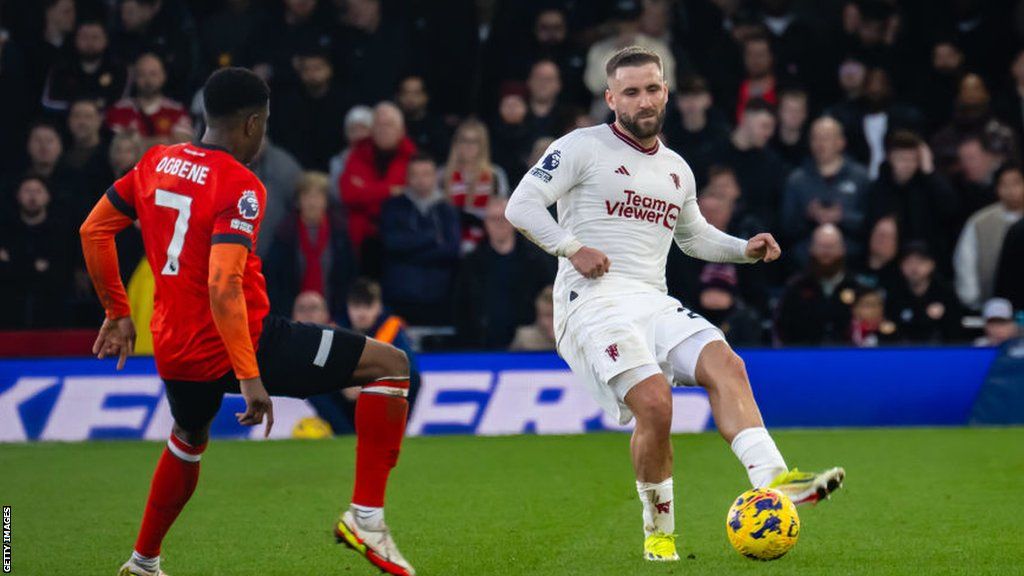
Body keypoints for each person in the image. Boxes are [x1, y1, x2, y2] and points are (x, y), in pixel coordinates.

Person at [504, 46, 843, 563]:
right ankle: (658, 532)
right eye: (632, 91)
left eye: (653, 88)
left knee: (726, 363)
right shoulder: (580, 146)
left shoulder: (677, 169)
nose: (644, 100)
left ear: (666, 90)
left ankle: (776, 481)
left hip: (651, 298)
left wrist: (743, 250)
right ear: (611, 97)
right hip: (591, 302)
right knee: (656, 403)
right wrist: (572, 248)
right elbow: (520, 205)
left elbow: (693, 237)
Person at [78, 68, 415, 576]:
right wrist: (249, 373)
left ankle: (144, 561)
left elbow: (94, 229)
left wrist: (119, 313)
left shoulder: (155, 161)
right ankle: (366, 518)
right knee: (391, 365)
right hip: (248, 342)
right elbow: (222, 285)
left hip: (175, 348)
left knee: (188, 438)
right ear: (254, 123)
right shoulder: (242, 186)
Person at [456, 196, 554, 349]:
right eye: (493, 219)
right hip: (483, 344)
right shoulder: (471, 263)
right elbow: (462, 306)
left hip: (527, 345)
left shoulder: (536, 260)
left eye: (504, 218)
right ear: (485, 224)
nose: (499, 224)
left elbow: (549, 297)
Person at [380, 154, 461, 325]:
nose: (421, 180)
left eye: (426, 174)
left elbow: (451, 251)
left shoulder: (447, 210)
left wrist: (408, 251)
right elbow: (391, 244)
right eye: (415, 174)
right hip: (400, 297)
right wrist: (431, 237)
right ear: (408, 177)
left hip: (439, 297)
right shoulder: (393, 207)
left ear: (435, 176)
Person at [264, 172, 357, 320]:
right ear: (298, 201)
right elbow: (274, 280)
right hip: (292, 318)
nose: (312, 202)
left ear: (326, 201)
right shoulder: (284, 234)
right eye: (307, 196)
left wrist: (340, 316)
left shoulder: (340, 234)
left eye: (318, 196)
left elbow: (348, 276)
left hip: (333, 316)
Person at [781, 116, 871, 267]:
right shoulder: (797, 179)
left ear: (841, 142)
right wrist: (808, 215)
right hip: (806, 263)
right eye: (816, 138)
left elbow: (870, 223)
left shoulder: (861, 177)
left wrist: (842, 217)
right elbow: (786, 227)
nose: (820, 144)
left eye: (826, 138)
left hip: (851, 262)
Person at [339, 102, 417, 269]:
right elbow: (348, 194)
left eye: (389, 124)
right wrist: (389, 190)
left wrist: (366, 190)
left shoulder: (412, 157)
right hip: (359, 241)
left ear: (401, 130)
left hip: (398, 240)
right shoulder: (358, 153)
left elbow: (409, 197)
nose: (383, 129)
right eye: (378, 124)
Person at [0, 176, 73, 328]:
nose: (32, 196)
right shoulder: (6, 231)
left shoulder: (59, 232)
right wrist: (34, 267)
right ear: (18, 195)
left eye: (38, 191)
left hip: (51, 313)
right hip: (9, 311)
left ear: (48, 196)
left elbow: (60, 272)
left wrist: (15, 263)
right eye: (27, 191)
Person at [775, 224, 862, 345]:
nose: (826, 252)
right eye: (821, 246)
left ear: (843, 249)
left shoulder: (858, 287)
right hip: (803, 359)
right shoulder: (795, 287)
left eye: (831, 247)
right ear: (811, 249)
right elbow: (781, 330)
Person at [954, 164, 1024, 310]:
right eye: (1005, 184)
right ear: (997, 188)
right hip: (992, 306)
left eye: (1017, 183)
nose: (1011, 190)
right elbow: (966, 262)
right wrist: (973, 300)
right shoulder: (980, 222)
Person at [442, 119, 510, 253]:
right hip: (450, 246)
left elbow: (502, 213)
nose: (469, 146)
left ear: (483, 145)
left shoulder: (495, 175)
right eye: (464, 140)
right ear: (456, 143)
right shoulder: (443, 175)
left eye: (474, 141)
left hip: (486, 247)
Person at [106, 53, 193, 146]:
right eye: (142, 74)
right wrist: (161, 141)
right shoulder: (119, 110)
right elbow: (117, 147)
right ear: (134, 78)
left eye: (153, 74)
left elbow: (184, 144)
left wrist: (138, 142)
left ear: (163, 76)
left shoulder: (177, 110)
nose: (148, 80)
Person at [887, 242, 964, 344]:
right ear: (901, 266)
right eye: (909, 262)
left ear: (931, 264)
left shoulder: (945, 293)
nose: (914, 268)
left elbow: (955, 331)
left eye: (920, 262)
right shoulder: (895, 294)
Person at [510, 285, 557, 351]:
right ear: (538, 316)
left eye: (556, 316)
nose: (553, 321)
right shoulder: (525, 337)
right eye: (548, 315)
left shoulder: (573, 336)